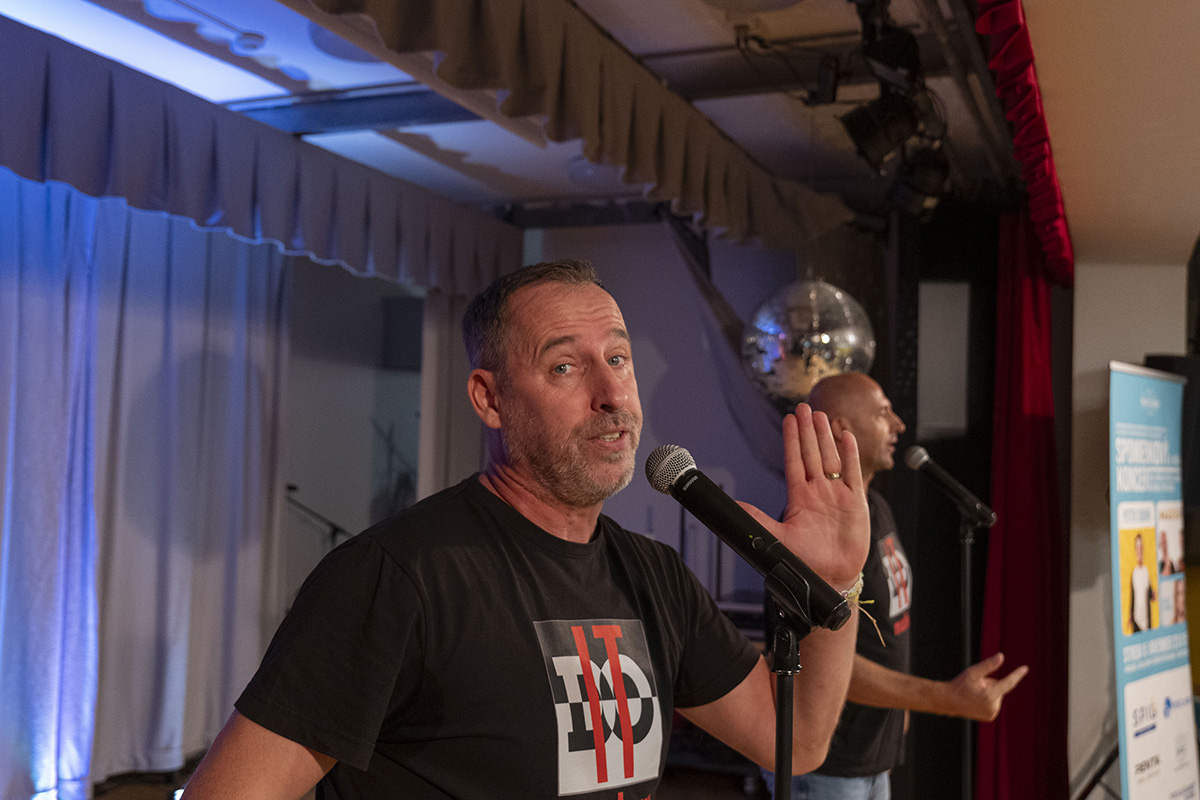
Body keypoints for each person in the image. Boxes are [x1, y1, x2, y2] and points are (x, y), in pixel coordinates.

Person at [180, 260, 871, 800]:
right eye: (565, 367)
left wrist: (834, 584)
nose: (611, 394)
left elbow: (795, 742)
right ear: (489, 398)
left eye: (619, 358)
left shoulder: (654, 576)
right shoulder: (398, 576)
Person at [762, 372, 1029, 800]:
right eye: (883, 413)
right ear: (841, 428)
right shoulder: (817, 534)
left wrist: (899, 709)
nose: (899, 425)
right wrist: (946, 698)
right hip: (828, 765)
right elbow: (820, 665)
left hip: (872, 757)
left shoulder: (876, 508)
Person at [1130, 532, 1155, 632]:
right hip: (1136, 619)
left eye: (1141, 547)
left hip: (1146, 618)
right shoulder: (1134, 573)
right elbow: (1132, 596)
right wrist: (1131, 614)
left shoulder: (1146, 571)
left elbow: (1151, 595)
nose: (1139, 550)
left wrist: (1153, 594)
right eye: (1137, 547)